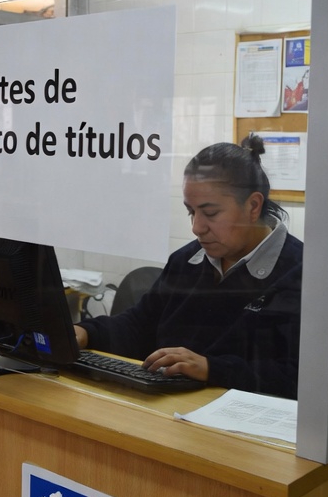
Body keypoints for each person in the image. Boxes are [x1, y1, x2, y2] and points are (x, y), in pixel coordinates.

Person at [74, 134, 303, 397]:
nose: (196, 227)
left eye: (211, 213)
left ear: (253, 206)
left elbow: (299, 378)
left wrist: (211, 368)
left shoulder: (300, 273)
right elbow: (140, 325)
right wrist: (86, 332)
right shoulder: (186, 261)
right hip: (169, 409)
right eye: (191, 212)